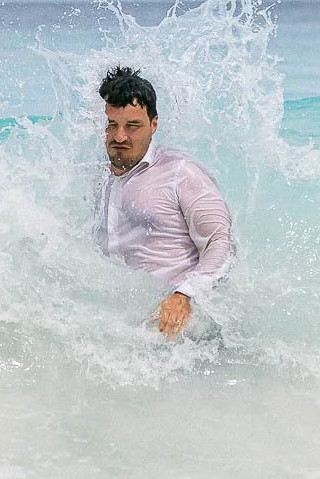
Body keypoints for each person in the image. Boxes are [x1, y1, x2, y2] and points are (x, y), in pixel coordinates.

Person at [92, 65, 233, 339]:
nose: (120, 136)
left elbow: (221, 242)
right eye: (112, 125)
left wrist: (184, 294)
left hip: (179, 328)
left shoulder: (181, 173)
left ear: (154, 124)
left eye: (132, 126)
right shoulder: (99, 176)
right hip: (121, 328)